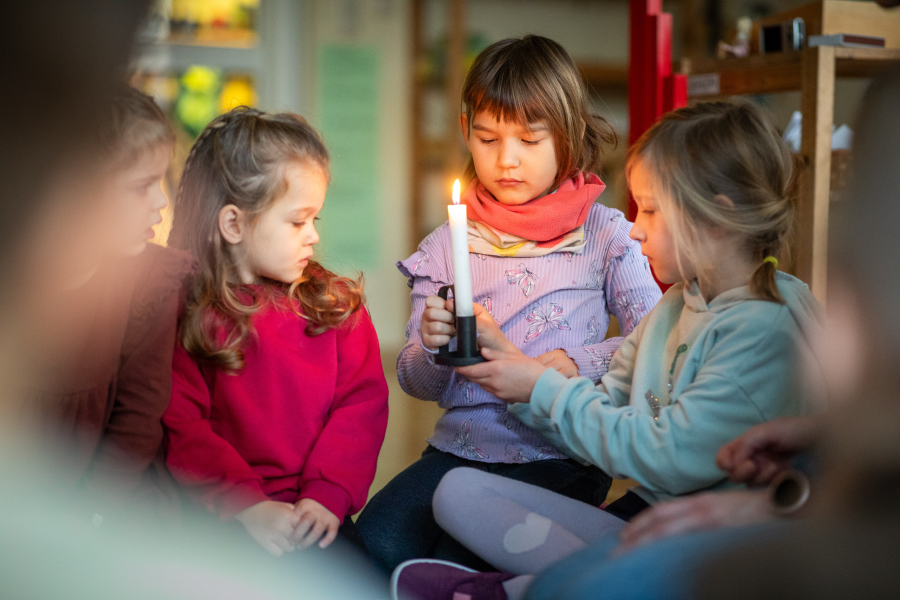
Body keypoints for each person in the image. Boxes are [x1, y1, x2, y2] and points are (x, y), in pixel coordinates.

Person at [392, 100, 825, 600]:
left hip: (714, 542)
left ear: (716, 219)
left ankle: (528, 589)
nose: (636, 227)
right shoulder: (675, 307)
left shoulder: (761, 329)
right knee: (456, 491)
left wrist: (540, 386)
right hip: (644, 517)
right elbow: (605, 411)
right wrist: (513, 368)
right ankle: (544, 584)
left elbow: (661, 456)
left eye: (653, 209)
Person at [357, 35, 661, 573]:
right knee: (373, 548)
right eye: (488, 138)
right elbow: (418, 384)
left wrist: (575, 363)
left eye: (528, 139)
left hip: (562, 456)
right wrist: (429, 347)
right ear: (464, 131)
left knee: (461, 563)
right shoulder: (447, 245)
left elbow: (657, 339)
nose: (506, 160)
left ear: (566, 134)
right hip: (458, 451)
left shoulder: (606, 235)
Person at [162, 107, 389, 557]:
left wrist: (326, 495)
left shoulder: (337, 309)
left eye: (315, 221)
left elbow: (360, 409)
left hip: (318, 515)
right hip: (224, 518)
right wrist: (248, 506)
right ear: (234, 224)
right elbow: (182, 424)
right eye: (296, 221)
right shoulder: (187, 316)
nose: (312, 237)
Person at [15, 83, 195, 527]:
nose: (160, 203)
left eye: (162, 182)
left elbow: (139, 415)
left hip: (111, 498)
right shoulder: (16, 284)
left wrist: (87, 516)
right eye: (141, 186)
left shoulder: (150, 284)